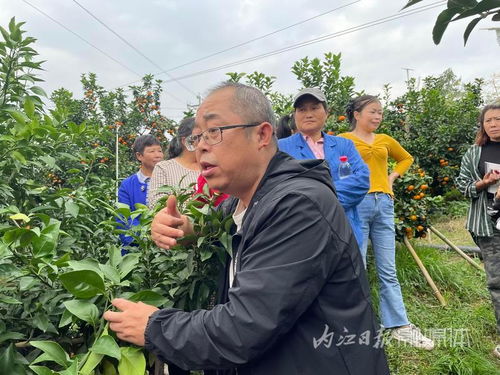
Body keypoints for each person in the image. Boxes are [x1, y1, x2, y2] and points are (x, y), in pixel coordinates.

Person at [104, 82, 389, 375]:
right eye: (197, 136)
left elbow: (243, 328)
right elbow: (216, 224)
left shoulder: (299, 206)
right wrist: (185, 228)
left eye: (214, 132)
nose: (200, 145)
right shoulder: (243, 201)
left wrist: (155, 327)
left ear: (262, 135)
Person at [339, 95, 434, 350]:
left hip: (384, 204)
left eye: (380, 112)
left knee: (387, 269)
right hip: (357, 206)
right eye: (373, 111)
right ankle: (360, 326)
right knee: (356, 265)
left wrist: (392, 177)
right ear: (356, 114)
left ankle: (399, 325)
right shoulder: (343, 141)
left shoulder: (385, 141)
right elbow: (337, 170)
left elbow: (406, 158)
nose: (378, 116)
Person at [278, 87, 369, 247]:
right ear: (295, 115)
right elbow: (279, 189)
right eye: (302, 109)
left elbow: (361, 180)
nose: (308, 114)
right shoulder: (281, 148)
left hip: (346, 231)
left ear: (326, 113)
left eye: (314, 108)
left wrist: (318, 200)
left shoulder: (344, 145)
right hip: (302, 235)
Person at [456, 103, 500, 358]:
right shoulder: (475, 153)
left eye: (497, 119)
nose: (493, 124)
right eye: (488, 120)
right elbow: (463, 186)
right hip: (488, 224)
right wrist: (483, 183)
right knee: (497, 281)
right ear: (482, 125)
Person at [117, 134, 164, 248]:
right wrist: (148, 234)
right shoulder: (127, 185)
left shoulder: (169, 181)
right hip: (138, 250)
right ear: (139, 156)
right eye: (152, 151)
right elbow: (123, 220)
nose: (157, 155)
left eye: (160, 151)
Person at [148, 117, 200, 209]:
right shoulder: (164, 168)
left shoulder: (211, 167)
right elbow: (156, 205)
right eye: (200, 137)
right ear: (186, 141)